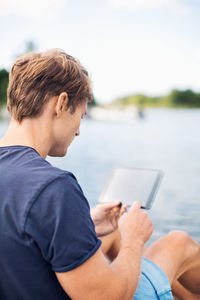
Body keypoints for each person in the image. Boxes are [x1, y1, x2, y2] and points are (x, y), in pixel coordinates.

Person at [0, 49, 199, 300]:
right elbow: (108, 296)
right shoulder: (53, 188)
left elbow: (20, 233)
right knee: (177, 241)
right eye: (80, 116)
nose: (79, 131)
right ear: (61, 103)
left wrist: (86, 223)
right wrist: (133, 240)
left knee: (111, 232)